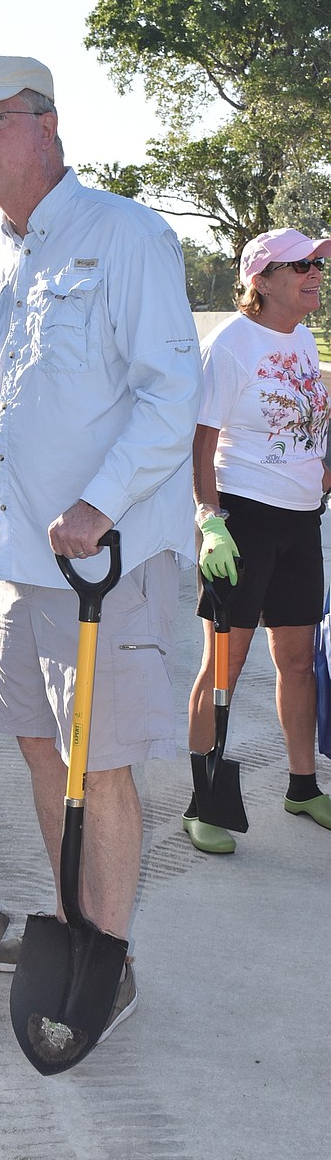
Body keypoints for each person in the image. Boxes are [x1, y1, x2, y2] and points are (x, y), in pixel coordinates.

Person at [0, 56, 201, 1037]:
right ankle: (74, 927)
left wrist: (101, 505)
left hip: (101, 569)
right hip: (15, 569)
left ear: (47, 127)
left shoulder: (125, 235)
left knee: (100, 766)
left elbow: (171, 397)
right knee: (42, 754)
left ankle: (102, 960)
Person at [183, 228, 331, 853]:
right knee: (224, 663)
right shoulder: (232, 345)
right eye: (301, 265)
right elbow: (202, 437)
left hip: (301, 518)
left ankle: (303, 784)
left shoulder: (301, 337)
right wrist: (207, 517)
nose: (315, 274)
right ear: (261, 280)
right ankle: (204, 798)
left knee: (297, 660)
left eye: (318, 265)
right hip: (242, 519)